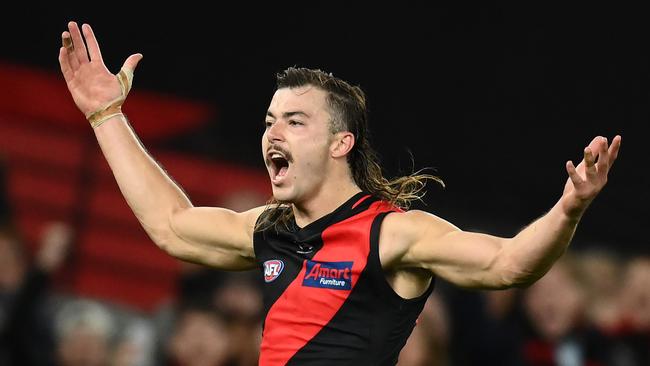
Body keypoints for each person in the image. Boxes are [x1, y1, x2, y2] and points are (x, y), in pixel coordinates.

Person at [58, 21, 621, 365]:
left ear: (340, 143)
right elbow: (172, 226)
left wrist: (571, 206)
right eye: (269, 121)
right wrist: (107, 114)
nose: (273, 133)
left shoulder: (392, 232)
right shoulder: (271, 229)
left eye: (295, 121)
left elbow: (508, 264)